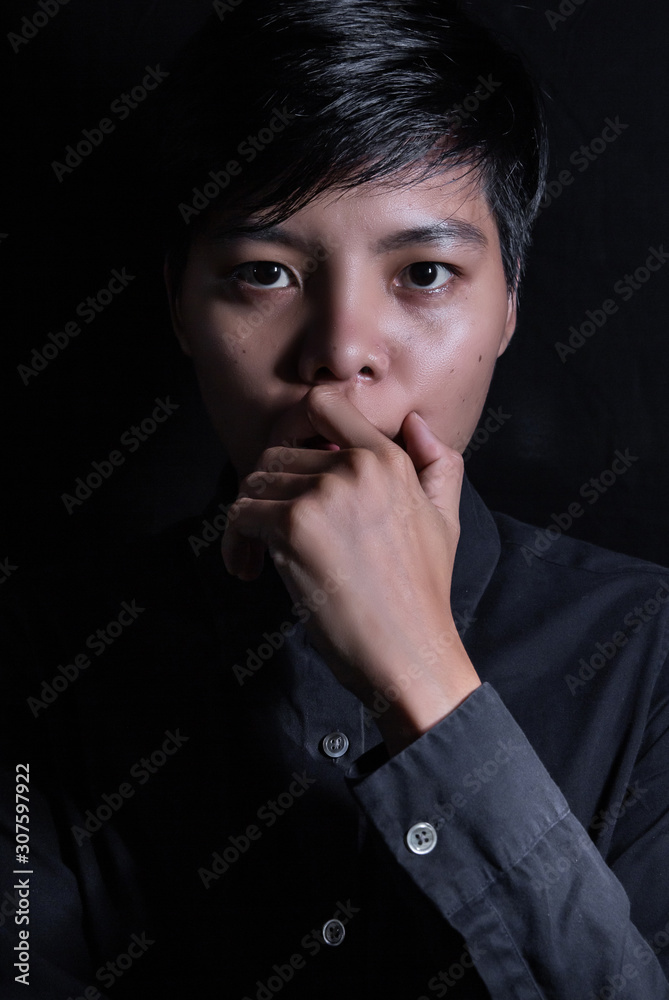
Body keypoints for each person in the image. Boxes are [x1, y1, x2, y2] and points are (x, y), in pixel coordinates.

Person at [2, 1, 669, 997]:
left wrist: (424, 676)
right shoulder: (36, 655)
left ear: (511, 301)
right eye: (264, 272)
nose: (342, 348)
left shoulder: (652, 651)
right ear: (181, 302)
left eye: (426, 272)